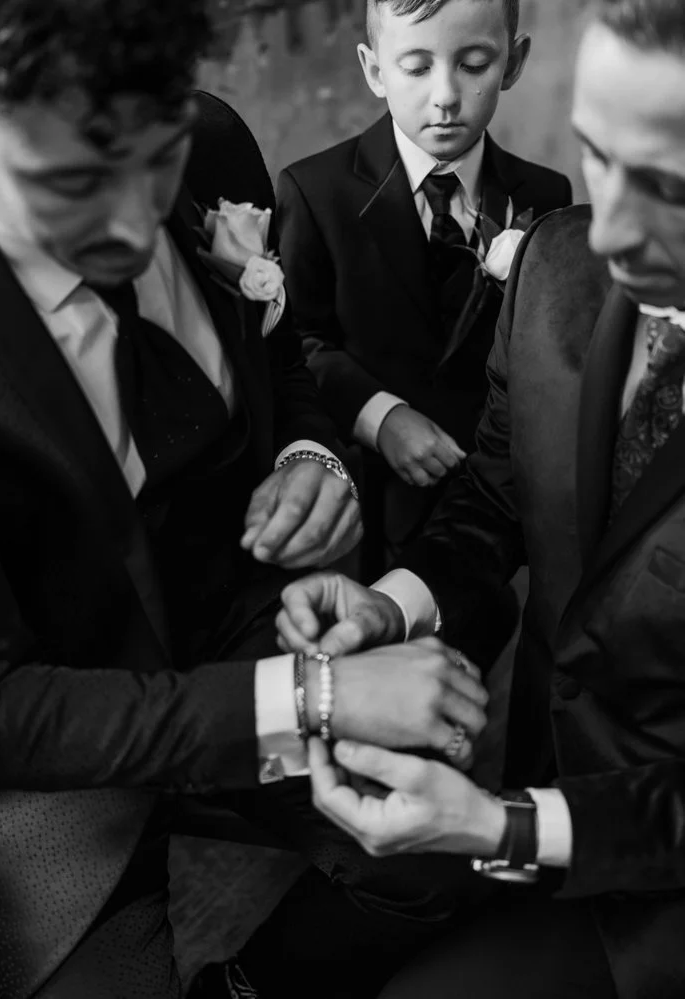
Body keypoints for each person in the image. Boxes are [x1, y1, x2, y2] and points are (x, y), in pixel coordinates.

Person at [0, 3, 502, 998]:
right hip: (35, 774)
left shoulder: (210, 141)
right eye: (70, 180)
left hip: (227, 623)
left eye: (151, 160)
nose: (128, 223)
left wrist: (309, 456)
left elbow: (280, 365)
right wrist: (311, 699)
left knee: (446, 851)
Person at [278, 0, 685, 995]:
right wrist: (397, 600)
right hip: (540, 783)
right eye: (595, 155)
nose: (615, 233)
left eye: (671, 187)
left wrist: (502, 827)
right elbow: (500, 501)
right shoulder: (556, 265)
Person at [276, 0, 572, 593]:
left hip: (495, 501)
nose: (445, 95)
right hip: (373, 508)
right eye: (416, 67)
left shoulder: (545, 193)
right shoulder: (314, 191)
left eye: (474, 64)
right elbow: (296, 342)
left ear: (512, 63)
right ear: (374, 69)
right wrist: (381, 416)